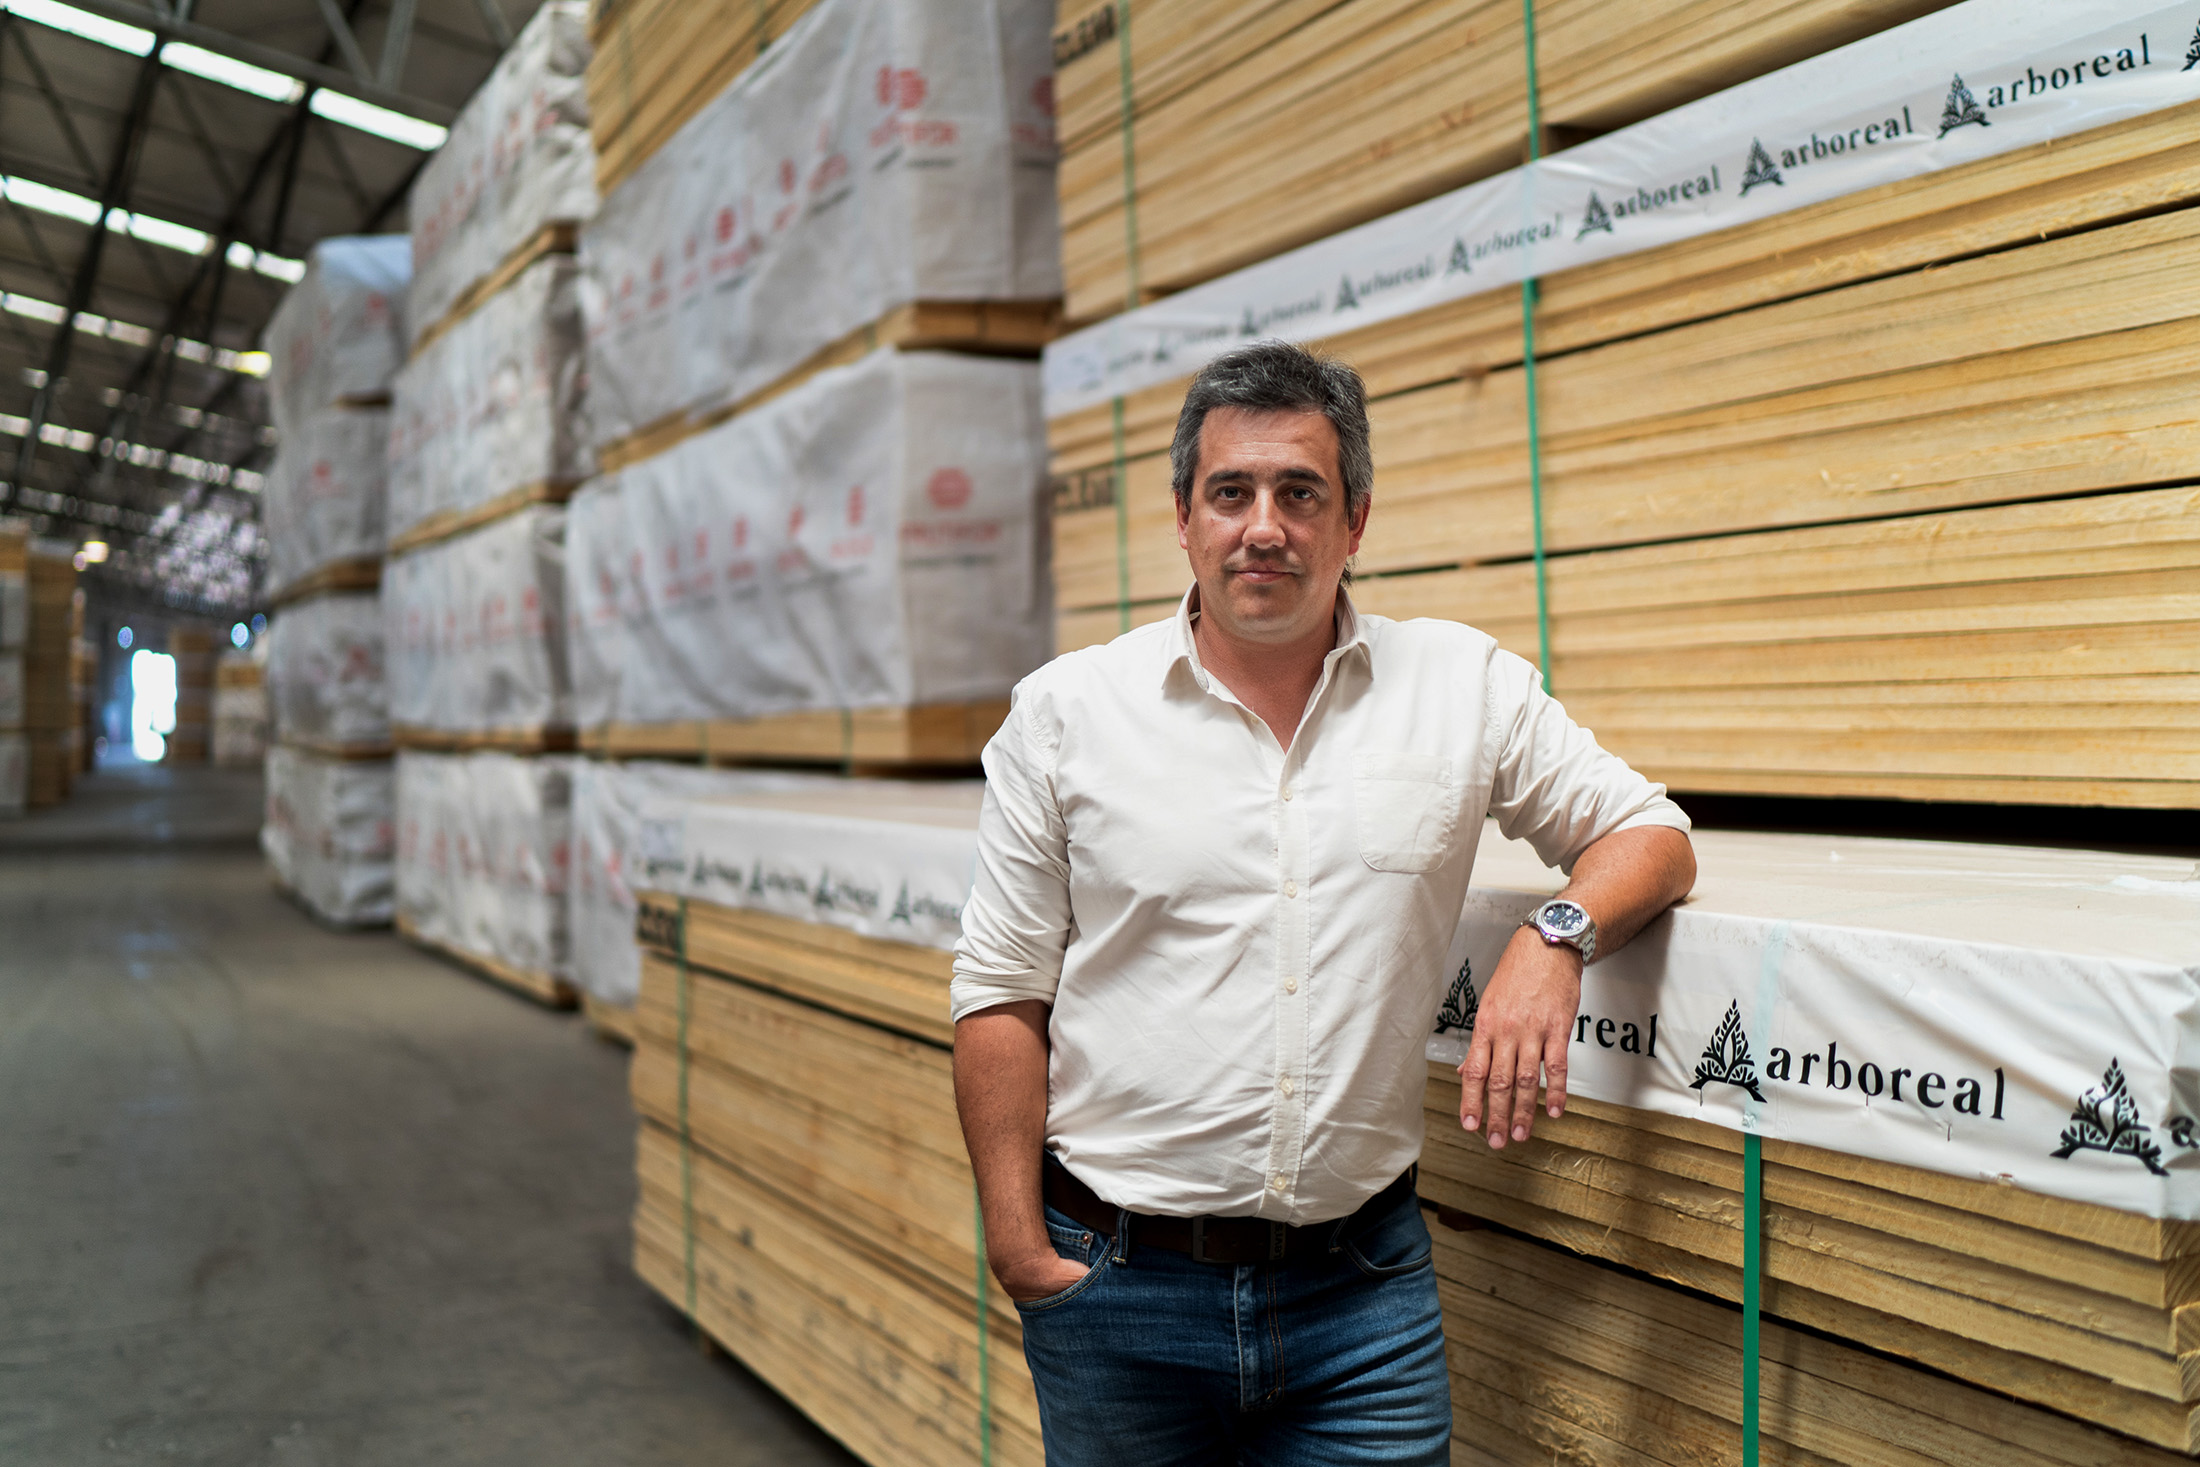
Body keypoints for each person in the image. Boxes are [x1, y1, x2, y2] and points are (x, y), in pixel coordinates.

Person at [951, 341, 1696, 1465]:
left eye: (1300, 493)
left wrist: (1556, 937)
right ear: (1184, 516)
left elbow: (1651, 835)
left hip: (1362, 1304)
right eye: (1231, 493)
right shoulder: (1066, 715)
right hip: (1115, 1290)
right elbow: (1003, 992)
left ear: (1354, 521)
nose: (1264, 527)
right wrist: (1016, 1243)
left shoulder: (1460, 687)